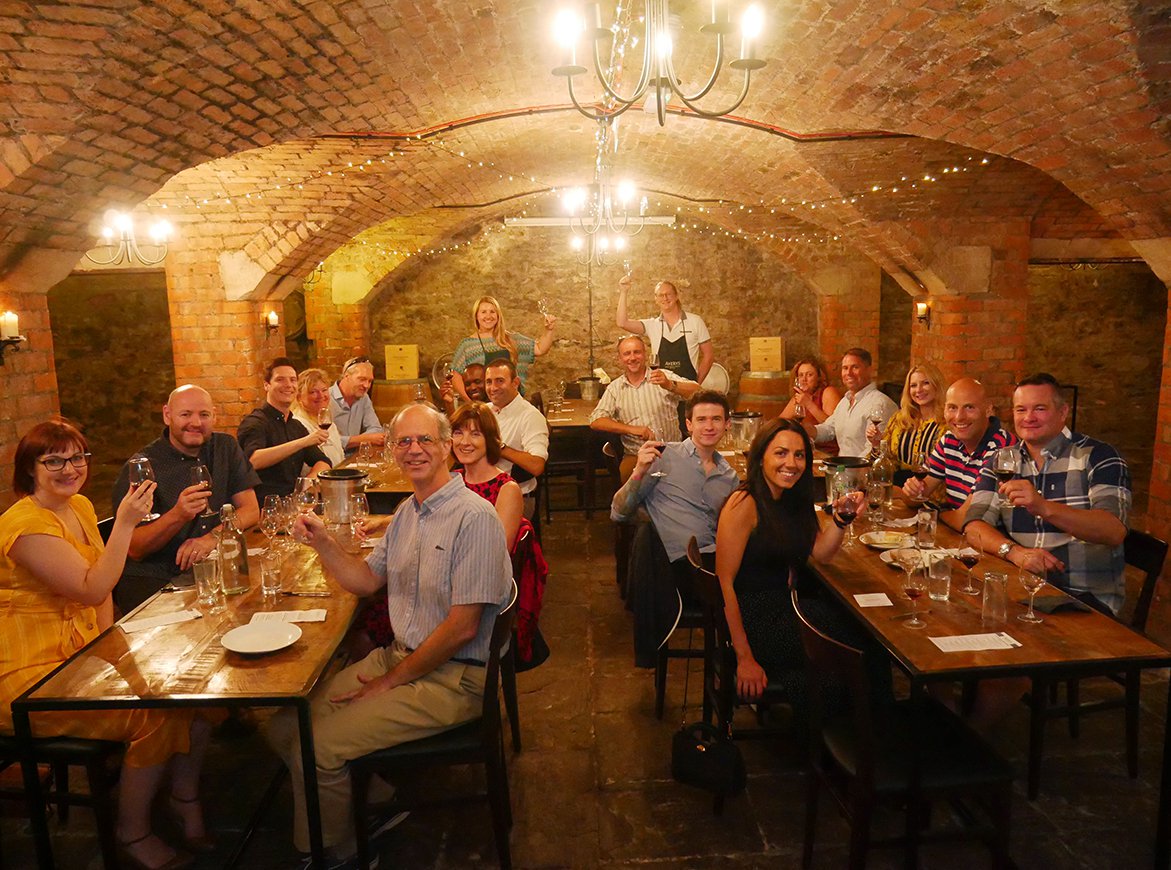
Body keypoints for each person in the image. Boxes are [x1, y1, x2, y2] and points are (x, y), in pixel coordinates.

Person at [264, 403, 511, 868]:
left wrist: (387, 683)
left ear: (446, 448)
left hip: (454, 678)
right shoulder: (408, 511)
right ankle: (372, 804)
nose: (414, 450)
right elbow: (364, 581)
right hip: (402, 657)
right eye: (403, 441)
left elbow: (463, 628)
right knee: (282, 728)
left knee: (317, 748)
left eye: (424, 441)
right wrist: (322, 541)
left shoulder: (473, 517)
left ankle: (337, 852)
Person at [0, 420, 212, 870]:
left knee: (197, 690)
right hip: (27, 675)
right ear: (29, 468)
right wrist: (127, 523)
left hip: (76, 653)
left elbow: (103, 593)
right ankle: (132, 831)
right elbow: (92, 587)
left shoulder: (76, 505)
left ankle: (181, 795)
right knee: (151, 713)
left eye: (77, 457)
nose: (69, 468)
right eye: (53, 460)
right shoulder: (23, 527)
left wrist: (113, 649)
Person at [714, 418, 879, 708]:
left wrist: (841, 521)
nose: (791, 462)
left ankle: (848, 728)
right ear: (760, 455)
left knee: (867, 643)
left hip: (786, 607)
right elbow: (723, 583)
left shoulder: (791, 498)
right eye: (781, 453)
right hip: (755, 621)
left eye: (799, 454)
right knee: (856, 658)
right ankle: (855, 731)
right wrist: (744, 657)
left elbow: (821, 553)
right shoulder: (744, 503)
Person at [964, 372, 1130, 615]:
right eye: (1021, 410)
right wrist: (1014, 552)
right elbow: (974, 526)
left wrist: (1043, 507)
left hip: (1083, 600)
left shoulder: (1099, 456)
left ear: (1063, 412)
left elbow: (1113, 530)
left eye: (1039, 409)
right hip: (1020, 590)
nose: (1028, 417)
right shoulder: (1002, 460)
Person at [610, 390, 740, 667]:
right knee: (646, 536)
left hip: (714, 565)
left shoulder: (730, 476)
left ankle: (742, 663)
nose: (709, 426)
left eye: (716, 419)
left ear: (727, 424)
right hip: (674, 567)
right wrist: (639, 471)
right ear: (688, 424)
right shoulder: (664, 457)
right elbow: (619, 513)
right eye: (701, 419)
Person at [111, 385, 261, 613]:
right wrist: (178, 515)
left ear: (214, 415)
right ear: (167, 415)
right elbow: (134, 549)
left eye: (204, 415)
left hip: (210, 572)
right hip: (157, 582)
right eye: (185, 414)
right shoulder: (143, 466)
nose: (196, 423)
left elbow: (251, 510)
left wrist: (212, 538)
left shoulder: (225, 447)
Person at [451, 402, 549, 667]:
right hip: (450, 579)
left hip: (480, 591)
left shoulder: (506, 488)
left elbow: (498, 555)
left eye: (475, 434)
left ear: (491, 440)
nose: (465, 442)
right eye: (458, 433)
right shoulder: (452, 481)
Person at [904, 377, 1017, 530]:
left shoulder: (1002, 447)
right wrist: (912, 490)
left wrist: (937, 511)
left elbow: (965, 518)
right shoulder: (949, 440)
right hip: (959, 538)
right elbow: (920, 494)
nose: (959, 417)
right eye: (952, 408)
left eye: (969, 407)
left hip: (990, 543)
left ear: (988, 410)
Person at [589, 335, 701, 480]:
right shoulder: (615, 388)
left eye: (637, 352)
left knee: (687, 488)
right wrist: (632, 429)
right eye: (627, 353)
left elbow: (699, 392)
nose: (632, 357)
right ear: (620, 359)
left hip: (671, 453)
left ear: (645, 355)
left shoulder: (663, 376)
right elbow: (595, 420)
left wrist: (670, 385)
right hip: (635, 456)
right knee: (630, 496)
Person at [237, 357, 331, 502]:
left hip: (294, 503)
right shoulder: (255, 422)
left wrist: (306, 485)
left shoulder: (295, 426)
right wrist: (301, 442)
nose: (288, 385)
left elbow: (323, 461)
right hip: (266, 508)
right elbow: (252, 460)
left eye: (293, 380)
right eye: (280, 379)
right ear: (267, 385)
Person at [450, 296, 555, 401]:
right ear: (476, 316)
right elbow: (455, 375)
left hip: (513, 404)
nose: (488, 316)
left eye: (492, 312)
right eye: (483, 312)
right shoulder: (467, 345)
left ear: (498, 315)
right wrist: (469, 401)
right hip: (485, 407)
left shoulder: (512, 339)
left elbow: (540, 349)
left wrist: (549, 330)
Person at [616, 275, 714, 386]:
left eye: (668, 294)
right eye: (661, 295)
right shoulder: (652, 325)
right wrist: (623, 292)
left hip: (687, 390)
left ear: (676, 296)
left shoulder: (695, 321)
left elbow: (709, 356)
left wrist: (696, 384)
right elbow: (622, 323)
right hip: (661, 391)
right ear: (656, 299)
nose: (665, 298)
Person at [484, 358, 548, 518]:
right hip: (483, 493)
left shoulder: (530, 416)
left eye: (500, 381)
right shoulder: (485, 411)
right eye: (489, 382)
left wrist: (501, 448)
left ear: (515, 383)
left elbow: (537, 465)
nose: (493, 388)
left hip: (516, 498)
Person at [806, 347, 897, 458]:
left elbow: (874, 452)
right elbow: (829, 429)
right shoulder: (845, 401)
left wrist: (845, 468)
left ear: (869, 370)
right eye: (845, 368)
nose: (848, 373)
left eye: (855, 367)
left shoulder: (880, 404)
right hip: (844, 468)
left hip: (863, 471)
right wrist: (807, 429)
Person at [866, 362, 946, 484]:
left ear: (937, 385)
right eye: (913, 385)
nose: (918, 390)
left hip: (931, 493)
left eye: (925, 383)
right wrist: (876, 444)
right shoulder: (899, 418)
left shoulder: (947, 424)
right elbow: (885, 463)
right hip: (896, 489)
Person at [329, 356, 385, 453]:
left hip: (356, 457)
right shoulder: (325, 398)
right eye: (362, 379)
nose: (366, 385)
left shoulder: (364, 398)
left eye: (370, 381)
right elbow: (326, 440)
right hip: (333, 460)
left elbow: (376, 429)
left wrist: (351, 441)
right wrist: (362, 439)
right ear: (346, 376)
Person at [292, 368, 345, 466]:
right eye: (313, 392)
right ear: (299, 397)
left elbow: (340, 457)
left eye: (324, 390)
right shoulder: (298, 424)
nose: (321, 395)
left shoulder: (328, 422)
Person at [779, 356, 842, 427]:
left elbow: (834, 426)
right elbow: (780, 422)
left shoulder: (828, 392)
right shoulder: (799, 397)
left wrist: (808, 404)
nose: (804, 379)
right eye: (801, 375)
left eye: (809, 375)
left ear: (819, 377)